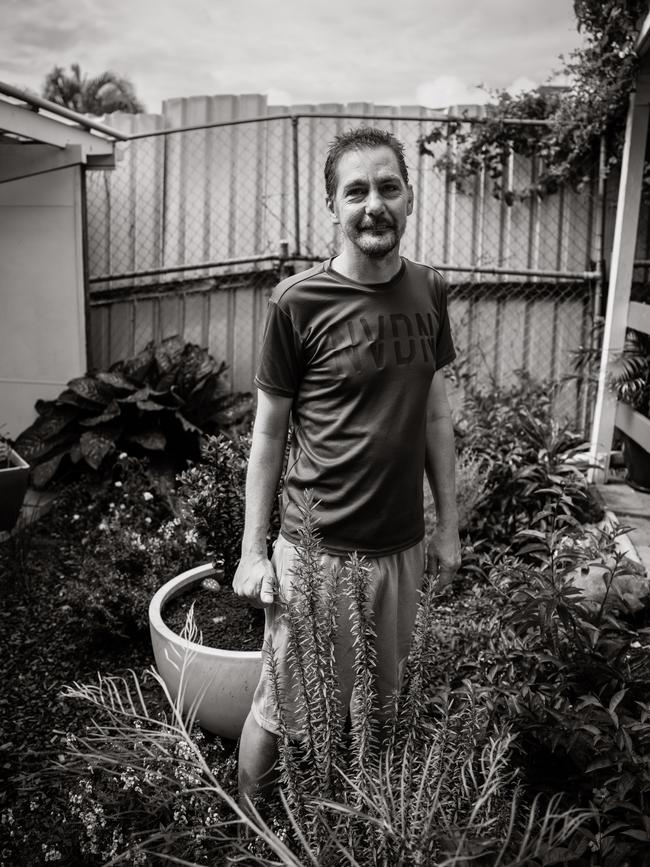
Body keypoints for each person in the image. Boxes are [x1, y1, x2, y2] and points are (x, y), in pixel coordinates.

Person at [233, 126, 461, 802]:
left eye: (387, 187)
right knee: (279, 710)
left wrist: (447, 524)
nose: (373, 204)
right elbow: (268, 437)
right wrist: (253, 551)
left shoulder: (429, 291)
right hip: (316, 550)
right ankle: (249, 825)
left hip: (400, 549)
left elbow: (434, 416)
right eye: (355, 190)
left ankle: (354, 824)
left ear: (410, 198)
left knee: (379, 710)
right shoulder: (297, 302)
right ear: (332, 206)